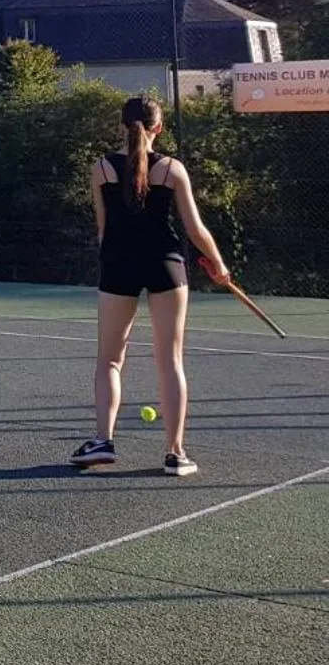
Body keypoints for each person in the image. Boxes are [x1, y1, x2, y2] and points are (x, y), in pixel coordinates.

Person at [70, 96, 229, 476]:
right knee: (170, 360)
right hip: (165, 264)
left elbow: (103, 228)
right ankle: (175, 453)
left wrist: (110, 260)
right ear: (159, 127)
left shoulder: (102, 168)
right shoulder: (172, 169)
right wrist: (220, 266)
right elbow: (195, 230)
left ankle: (103, 441)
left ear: (123, 125)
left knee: (109, 359)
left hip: (118, 264)